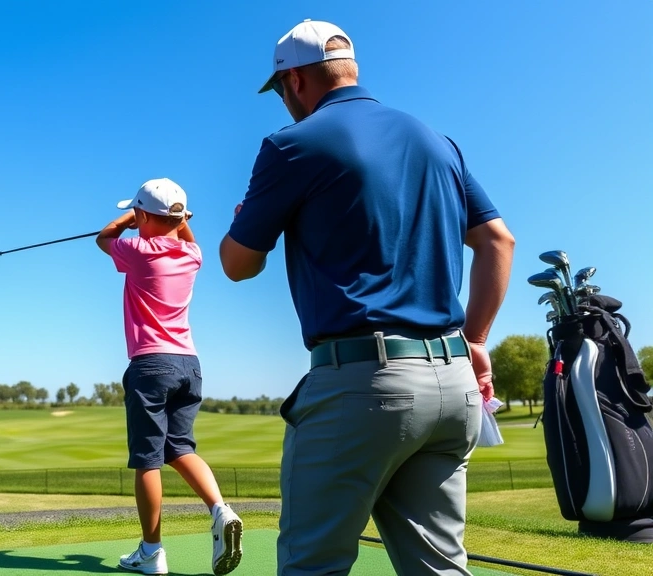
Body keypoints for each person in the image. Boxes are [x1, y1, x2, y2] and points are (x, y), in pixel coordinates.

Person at [219, 19, 516, 576]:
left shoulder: (292, 146)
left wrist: (245, 226)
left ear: (298, 80)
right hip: (453, 388)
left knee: (313, 564)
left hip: (363, 388)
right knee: (440, 569)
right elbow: (498, 241)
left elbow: (238, 265)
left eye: (281, 91)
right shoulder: (436, 140)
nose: (285, 103)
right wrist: (474, 339)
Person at [97, 178, 244, 576]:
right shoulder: (191, 254)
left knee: (148, 461)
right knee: (179, 448)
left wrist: (130, 219)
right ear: (180, 220)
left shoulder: (137, 249)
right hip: (189, 365)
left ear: (144, 215)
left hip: (150, 365)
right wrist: (169, 218)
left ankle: (152, 551)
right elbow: (181, 234)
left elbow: (103, 237)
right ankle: (220, 508)